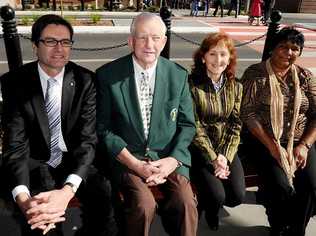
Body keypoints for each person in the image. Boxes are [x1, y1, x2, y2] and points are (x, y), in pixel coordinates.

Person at [1, 14, 117, 236]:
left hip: (75, 159)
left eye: (65, 42)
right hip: (35, 162)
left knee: (106, 214)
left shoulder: (86, 81)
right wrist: (24, 200)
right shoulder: (14, 83)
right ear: (35, 46)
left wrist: (67, 191)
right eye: (50, 41)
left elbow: (87, 140)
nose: (59, 48)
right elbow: (15, 145)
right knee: (41, 222)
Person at [96, 12, 198, 236]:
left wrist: (173, 160)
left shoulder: (177, 75)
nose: (149, 44)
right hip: (128, 158)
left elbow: (187, 124)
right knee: (144, 205)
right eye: (142, 37)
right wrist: (135, 164)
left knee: (186, 203)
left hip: (168, 156)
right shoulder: (107, 75)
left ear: (164, 41)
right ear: (131, 40)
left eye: (155, 38)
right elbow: (103, 129)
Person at [241, 27, 316, 236]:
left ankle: (296, 230)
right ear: (273, 48)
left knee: (310, 185)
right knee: (280, 187)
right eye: (283, 46)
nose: (288, 52)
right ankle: (279, 226)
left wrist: (304, 145)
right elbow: (248, 114)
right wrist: (273, 146)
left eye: (294, 48)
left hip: (299, 141)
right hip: (264, 140)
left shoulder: (305, 76)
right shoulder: (256, 74)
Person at [189, 32, 245, 231]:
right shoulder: (191, 85)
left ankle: (208, 203)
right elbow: (193, 125)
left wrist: (225, 157)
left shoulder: (235, 86)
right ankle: (209, 209)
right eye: (213, 54)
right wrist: (213, 157)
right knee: (216, 195)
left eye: (223, 54)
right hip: (199, 149)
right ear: (203, 57)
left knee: (237, 196)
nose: (218, 60)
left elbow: (236, 123)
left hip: (225, 149)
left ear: (229, 58)